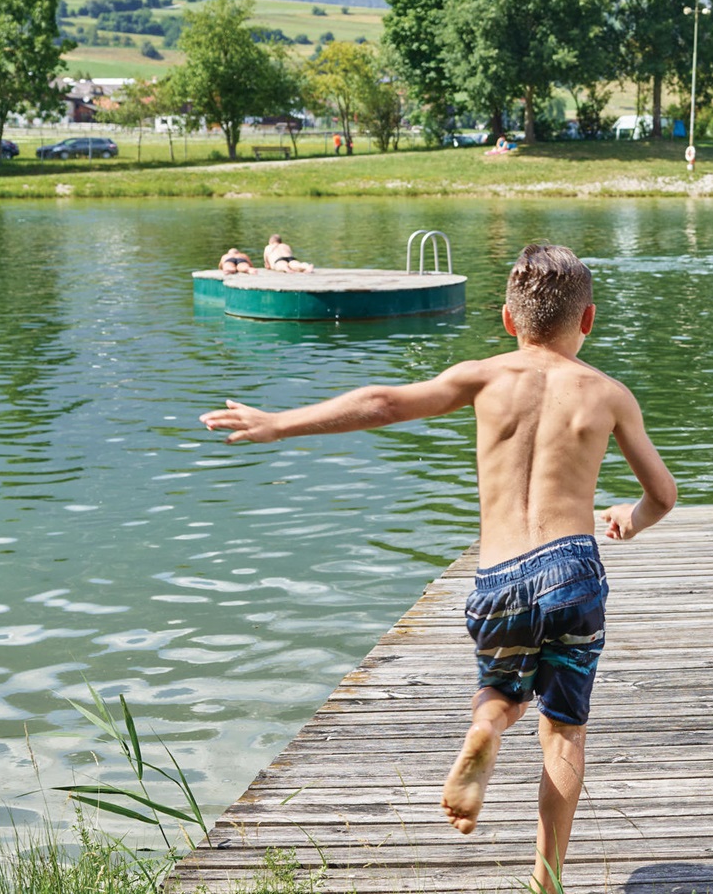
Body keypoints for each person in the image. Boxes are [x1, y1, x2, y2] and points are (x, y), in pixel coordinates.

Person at [199, 244, 677, 894]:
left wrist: (280, 423)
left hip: (501, 577)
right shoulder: (608, 393)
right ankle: (547, 880)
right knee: (565, 731)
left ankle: (486, 726)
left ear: (507, 319)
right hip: (573, 571)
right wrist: (630, 517)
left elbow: (382, 402)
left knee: (501, 693)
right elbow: (662, 494)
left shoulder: (483, 377)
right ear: (588, 319)